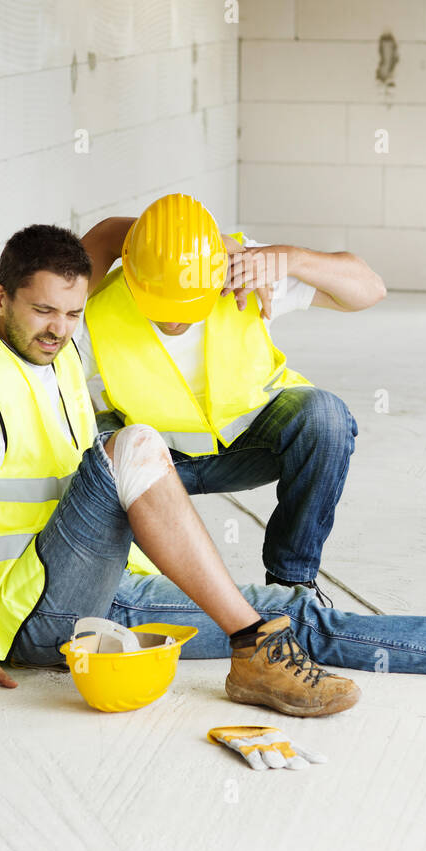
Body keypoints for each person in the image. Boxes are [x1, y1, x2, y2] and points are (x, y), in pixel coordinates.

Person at [0, 223, 426, 713]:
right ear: (1, 296)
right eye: (43, 310)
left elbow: (101, 240)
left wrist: (183, 241)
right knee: (131, 445)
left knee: (290, 616)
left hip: (97, 582)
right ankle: (253, 641)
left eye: (71, 312)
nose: (59, 326)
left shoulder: (57, 351)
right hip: (32, 613)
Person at [78, 193, 385, 605]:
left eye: (186, 304)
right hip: (156, 468)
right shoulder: (95, 310)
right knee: (92, 445)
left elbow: (369, 290)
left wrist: (286, 257)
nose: (172, 318)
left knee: (325, 419)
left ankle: (291, 587)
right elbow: (99, 245)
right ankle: (120, 585)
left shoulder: (243, 270)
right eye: (158, 301)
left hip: (250, 449)